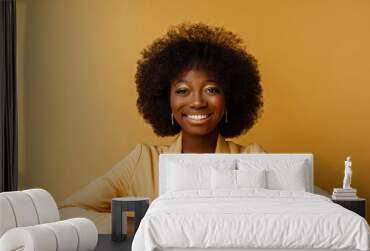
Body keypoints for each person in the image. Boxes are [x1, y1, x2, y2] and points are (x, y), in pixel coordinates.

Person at [60, 23, 265, 233]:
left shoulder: (251, 159)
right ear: (166, 100)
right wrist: (141, 227)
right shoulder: (144, 161)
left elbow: (287, 219)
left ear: (228, 98)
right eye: (183, 90)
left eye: (211, 89)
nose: (197, 102)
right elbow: (67, 212)